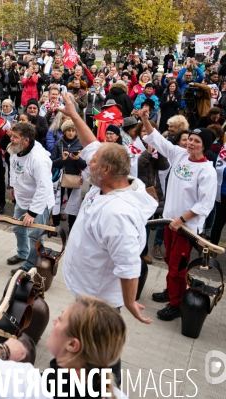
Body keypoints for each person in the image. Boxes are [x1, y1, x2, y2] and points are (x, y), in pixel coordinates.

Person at [59, 92, 155, 325]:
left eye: (93, 162)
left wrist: (129, 301)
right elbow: (91, 144)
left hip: (98, 301)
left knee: (97, 353)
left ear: (106, 170)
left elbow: (129, 262)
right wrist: (73, 114)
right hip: (86, 288)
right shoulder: (108, 182)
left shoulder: (118, 214)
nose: (87, 161)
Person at [0, 295, 129, 399]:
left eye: (62, 319)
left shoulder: (20, 384)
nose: (55, 320)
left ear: (73, 345)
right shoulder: (115, 395)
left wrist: (2, 350)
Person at [142, 112, 217, 321]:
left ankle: (176, 304)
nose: (191, 143)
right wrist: (146, 120)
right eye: (190, 139)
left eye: (196, 141)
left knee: (178, 265)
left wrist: (182, 219)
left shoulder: (206, 171)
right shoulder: (180, 155)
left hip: (186, 227)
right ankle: (171, 290)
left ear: (205, 146)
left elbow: (205, 204)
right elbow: (156, 139)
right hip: (169, 221)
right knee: (168, 259)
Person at [4, 121, 54, 274]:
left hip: (38, 204)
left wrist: (32, 213)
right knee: (17, 228)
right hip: (22, 199)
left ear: (26, 140)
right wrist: (13, 185)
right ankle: (22, 253)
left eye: (15, 137)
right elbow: (13, 169)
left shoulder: (39, 159)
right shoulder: (15, 150)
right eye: (12, 135)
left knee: (35, 235)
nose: (11, 139)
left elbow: (43, 187)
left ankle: (31, 263)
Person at [49, 119, 86, 231]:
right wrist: (62, 160)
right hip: (59, 179)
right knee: (57, 202)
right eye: (68, 130)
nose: (70, 133)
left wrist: (77, 159)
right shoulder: (58, 144)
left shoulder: (81, 145)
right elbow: (51, 162)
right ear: (64, 132)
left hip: (74, 178)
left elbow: (85, 164)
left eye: (73, 130)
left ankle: (72, 228)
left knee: (73, 204)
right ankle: (55, 227)